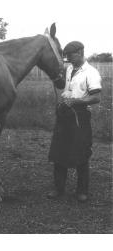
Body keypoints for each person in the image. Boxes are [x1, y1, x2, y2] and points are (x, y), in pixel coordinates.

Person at [48, 41, 102, 202]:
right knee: (59, 151)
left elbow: (96, 97)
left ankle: (82, 191)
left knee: (81, 152)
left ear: (80, 52)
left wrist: (75, 102)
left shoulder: (91, 73)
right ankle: (58, 188)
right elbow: (67, 89)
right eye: (66, 56)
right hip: (64, 114)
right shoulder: (70, 69)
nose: (68, 59)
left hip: (80, 116)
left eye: (70, 55)